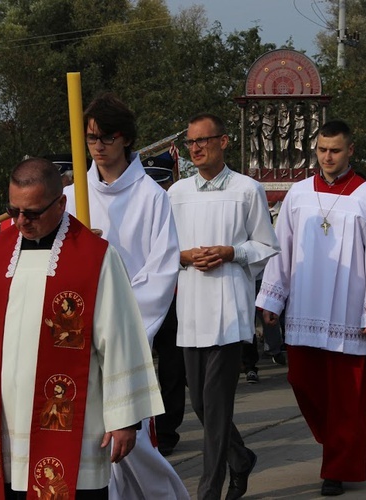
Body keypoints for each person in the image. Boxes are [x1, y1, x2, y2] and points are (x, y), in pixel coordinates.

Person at [0, 158, 165, 499]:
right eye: (12, 210)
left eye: (31, 213)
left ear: (60, 204)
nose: (19, 221)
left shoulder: (95, 257)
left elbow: (121, 340)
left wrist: (125, 419)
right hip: (9, 426)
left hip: (75, 426)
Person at [256, 120, 366, 497]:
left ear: (350, 151)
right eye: (322, 149)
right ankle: (337, 439)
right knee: (301, 381)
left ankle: (336, 468)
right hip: (305, 307)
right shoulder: (300, 193)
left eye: (335, 150)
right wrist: (273, 298)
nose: (327, 157)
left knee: (347, 396)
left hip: (349, 313)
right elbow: (282, 247)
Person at [63, 92, 184, 499]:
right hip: (72, 333)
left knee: (131, 442)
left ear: (126, 138)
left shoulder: (151, 197)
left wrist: (120, 321)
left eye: (106, 137)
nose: (97, 146)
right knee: (87, 442)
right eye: (91, 137)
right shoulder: (70, 197)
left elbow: (161, 270)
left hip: (124, 332)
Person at [169, 113, 280, 500]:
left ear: (224, 141)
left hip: (229, 307)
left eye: (203, 140)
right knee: (200, 402)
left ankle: (208, 490)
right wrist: (185, 255)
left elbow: (267, 246)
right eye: (190, 143)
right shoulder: (176, 193)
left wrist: (233, 252)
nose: (196, 148)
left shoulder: (247, 189)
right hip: (192, 309)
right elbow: (164, 251)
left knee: (216, 406)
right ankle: (240, 457)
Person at [143, 153, 186, 457]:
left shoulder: (181, 205)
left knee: (172, 368)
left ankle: (168, 428)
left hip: (175, 297)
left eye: (164, 181)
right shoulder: (144, 205)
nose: (162, 188)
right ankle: (144, 426)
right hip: (143, 296)